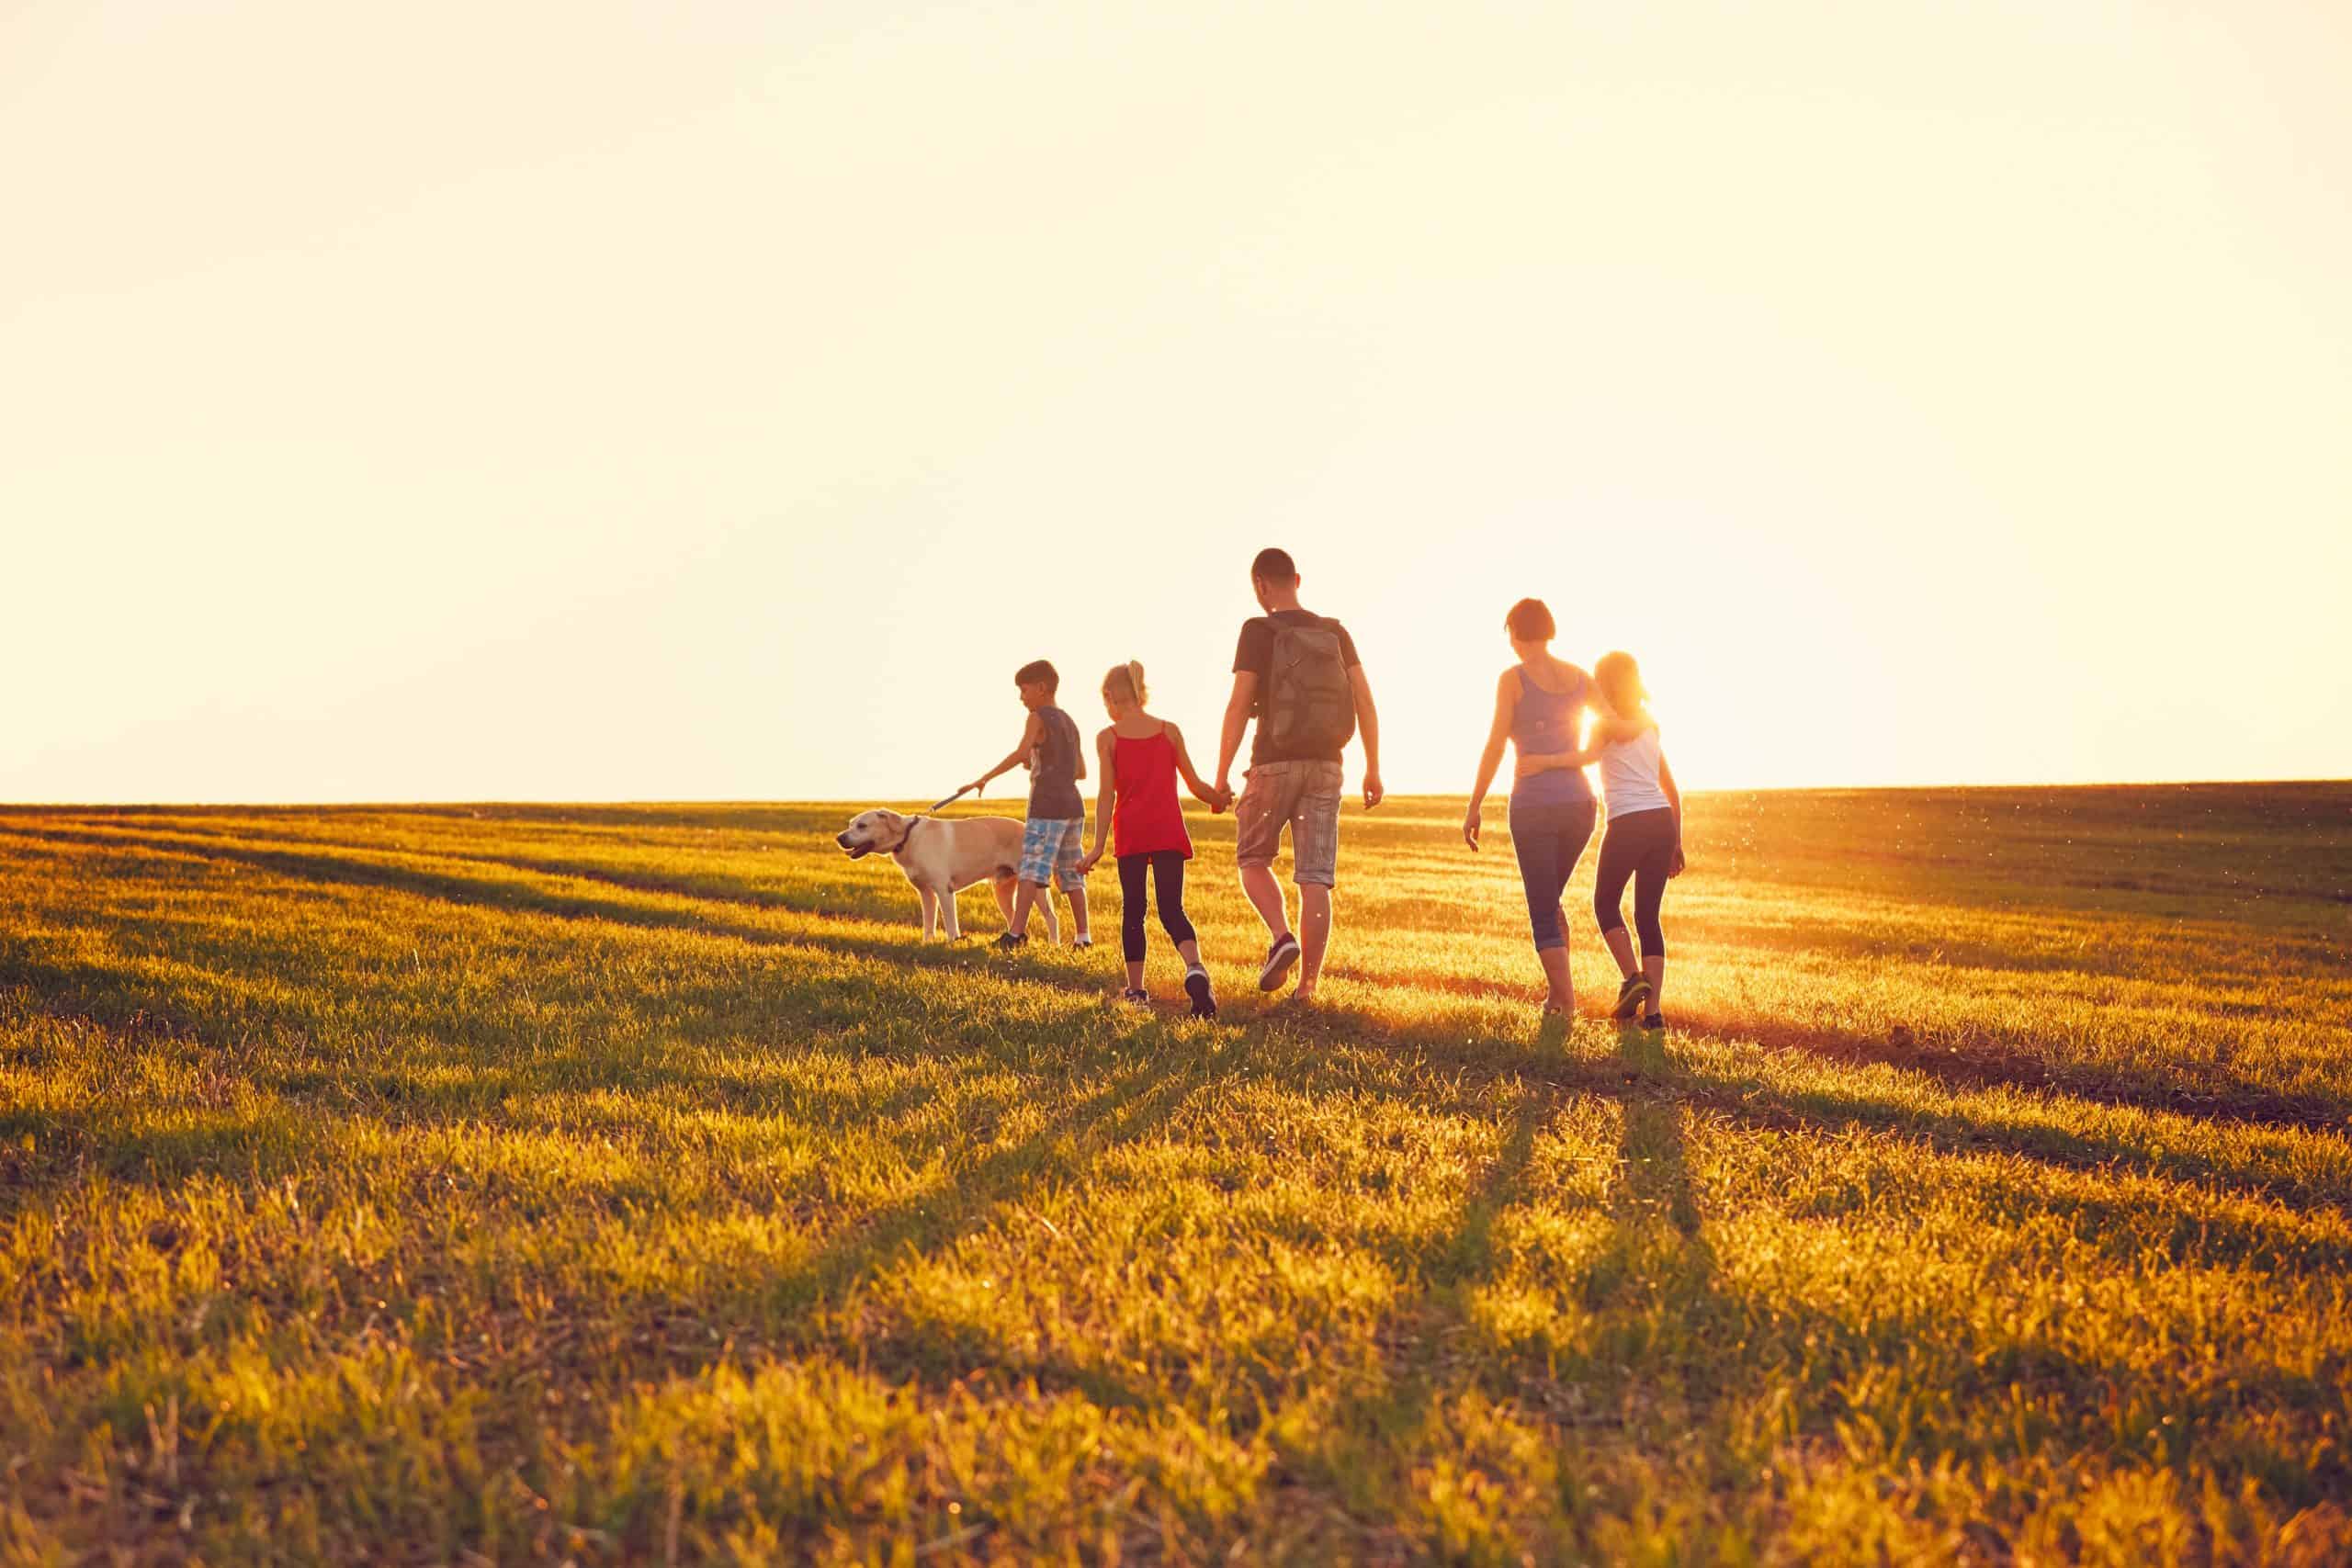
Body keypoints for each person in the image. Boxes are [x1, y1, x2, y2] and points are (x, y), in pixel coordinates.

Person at [1212, 547, 1383, 1002]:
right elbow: (1365, 701)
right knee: (1315, 877)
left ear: (1260, 585)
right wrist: (1374, 766)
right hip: (1329, 765)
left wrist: (1222, 772)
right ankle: (1307, 987)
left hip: (1273, 761)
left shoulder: (1257, 630)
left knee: (1252, 859)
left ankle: (1281, 935)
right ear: (1298, 580)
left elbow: (1237, 704)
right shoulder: (1334, 632)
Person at [1462, 598, 1644, 1015]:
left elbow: (1494, 743)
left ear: (1515, 633)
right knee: (1552, 898)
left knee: (1542, 908)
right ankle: (1558, 996)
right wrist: (1644, 726)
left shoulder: (1513, 679)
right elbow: (1614, 725)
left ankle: (1565, 1002)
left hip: (1534, 807)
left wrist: (1474, 805)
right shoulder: (1579, 677)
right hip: (1581, 807)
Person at [1515, 649, 1683, 1027]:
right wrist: (1677, 841)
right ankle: (1653, 1014)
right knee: (1648, 917)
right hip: (1660, 822)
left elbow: (1585, 758)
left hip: (1627, 822)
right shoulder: (1651, 724)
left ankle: (1632, 977)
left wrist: (1542, 762)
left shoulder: (1604, 726)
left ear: (1603, 684)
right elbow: (1672, 789)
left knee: (1605, 905)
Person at [1077, 660, 1222, 1016]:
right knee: (1172, 909)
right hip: (1168, 829)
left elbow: (1106, 794)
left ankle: (1137, 991)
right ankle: (1194, 967)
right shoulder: (1169, 731)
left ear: (1110, 696)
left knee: (1134, 912)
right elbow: (1196, 785)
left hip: (1133, 833)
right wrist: (1219, 799)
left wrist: (1096, 846)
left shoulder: (1107, 737)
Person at [961, 659, 1091, 949]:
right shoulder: (1070, 722)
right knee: (1071, 872)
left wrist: (985, 778)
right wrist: (1040, 759)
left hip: (1046, 807)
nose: (1021, 698)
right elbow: (1080, 772)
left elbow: (1020, 751)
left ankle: (1016, 934)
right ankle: (1083, 937)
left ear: (1041, 688)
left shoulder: (1037, 717)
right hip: (1073, 806)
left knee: (1032, 869)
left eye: (1024, 690)